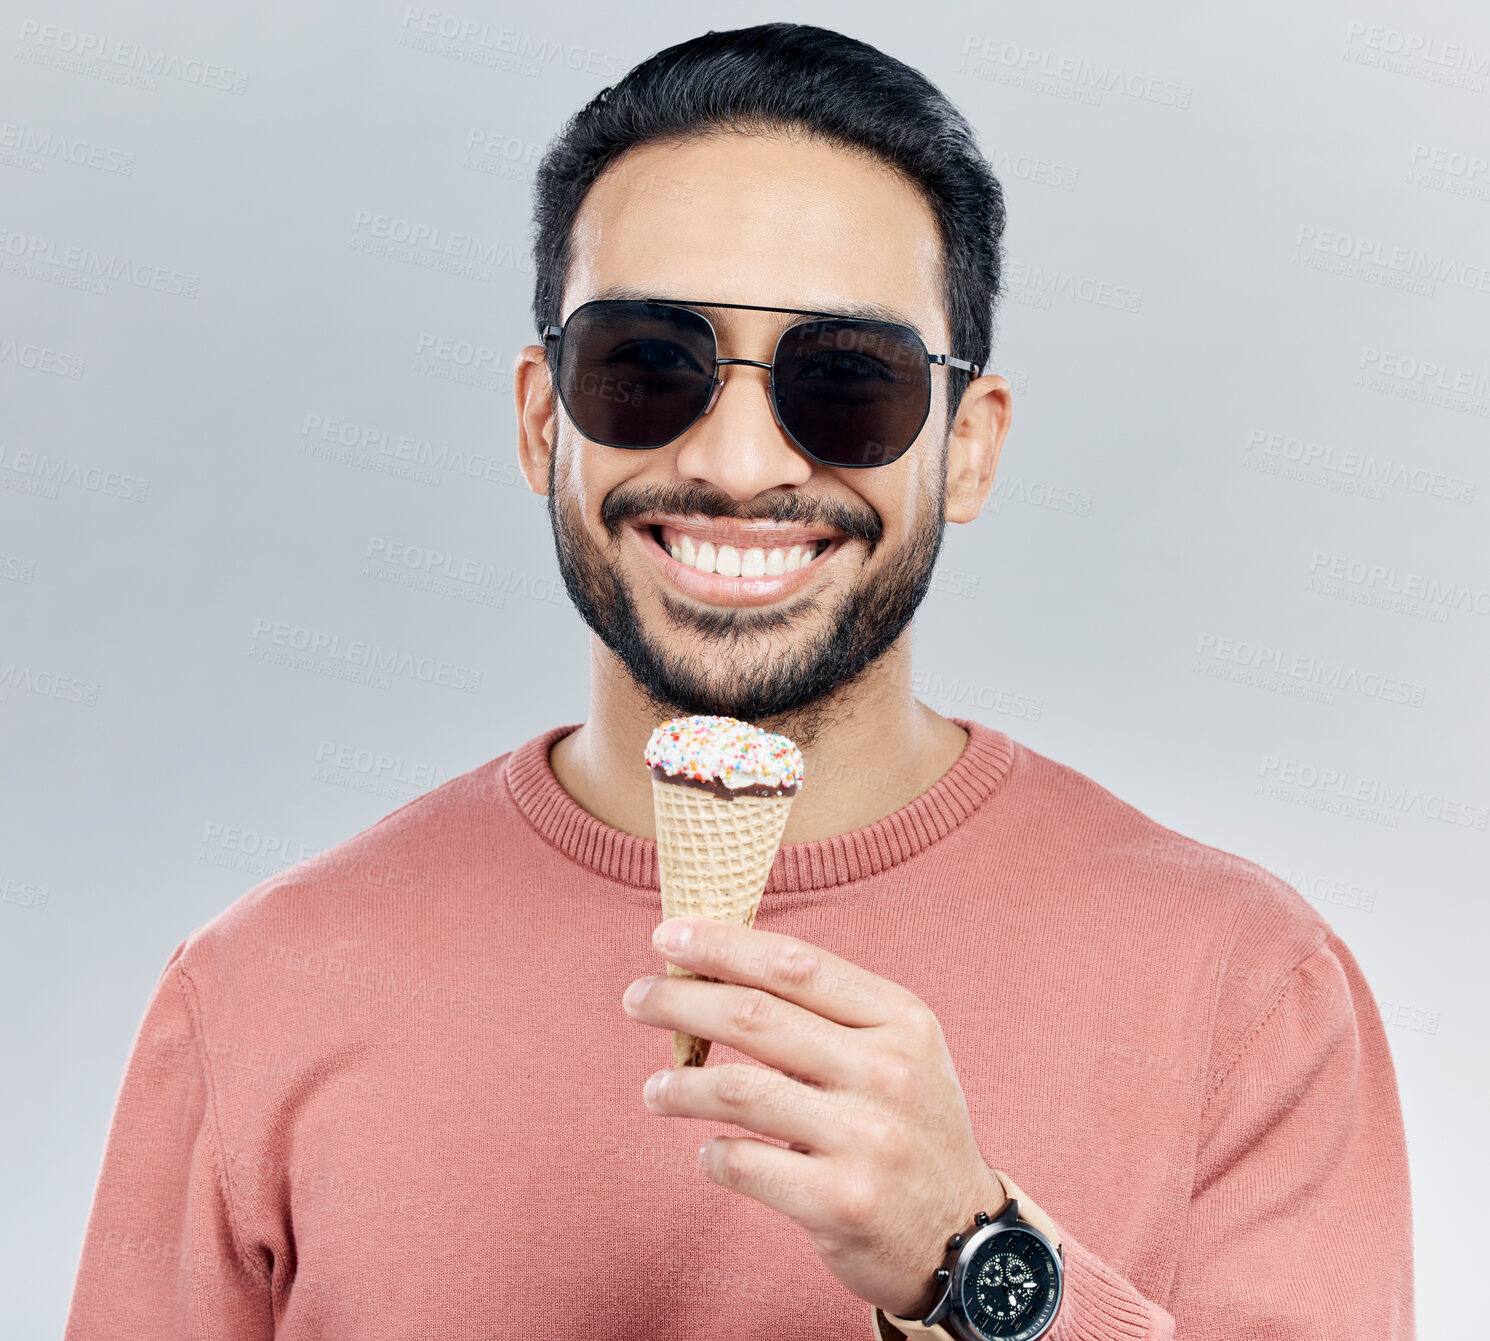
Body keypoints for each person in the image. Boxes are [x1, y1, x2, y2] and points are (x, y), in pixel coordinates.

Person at [65, 22, 1414, 1341]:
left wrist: (975, 1263)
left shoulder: (1245, 990)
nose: (741, 461)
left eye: (849, 380)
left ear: (966, 446)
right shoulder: (256, 989)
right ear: (544, 419)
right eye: (648, 362)